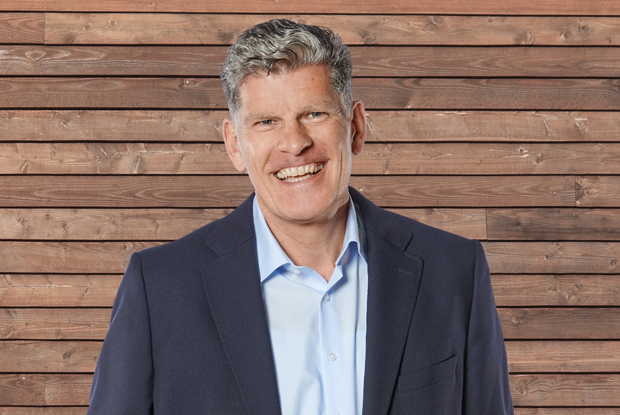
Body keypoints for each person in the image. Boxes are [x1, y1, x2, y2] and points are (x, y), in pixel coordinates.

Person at [87, 19, 513, 415]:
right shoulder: (160, 289)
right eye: (266, 121)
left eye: (314, 113)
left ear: (355, 126)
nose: (294, 143)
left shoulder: (453, 272)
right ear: (234, 145)